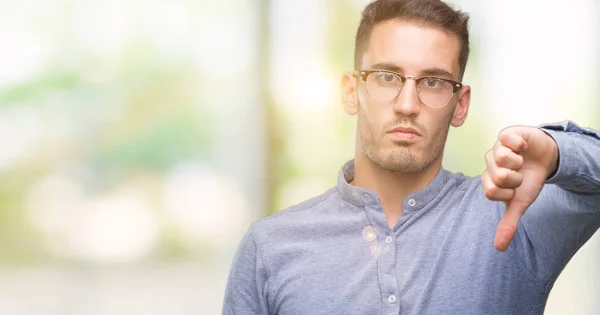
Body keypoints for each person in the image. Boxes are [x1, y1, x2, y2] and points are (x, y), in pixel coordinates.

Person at [222, 0, 600, 314]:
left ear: (460, 105)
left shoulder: (511, 216)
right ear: (352, 92)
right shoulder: (269, 249)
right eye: (387, 76)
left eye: (433, 82)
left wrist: (557, 151)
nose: (407, 105)